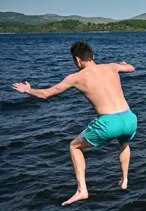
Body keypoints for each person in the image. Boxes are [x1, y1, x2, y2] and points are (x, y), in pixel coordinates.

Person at [12, 42, 137, 206]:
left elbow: (45, 94)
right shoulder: (111, 67)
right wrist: (124, 65)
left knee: (74, 146)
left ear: (78, 61)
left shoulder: (76, 77)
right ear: (93, 56)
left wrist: (28, 90)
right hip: (129, 118)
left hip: (109, 122)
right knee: (124, 142)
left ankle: (82, 190)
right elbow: (131, 68)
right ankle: (125, 179)